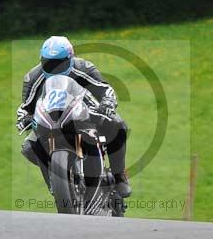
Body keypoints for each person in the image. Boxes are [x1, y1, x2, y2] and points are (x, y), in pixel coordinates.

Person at [16, 36, 131, 198]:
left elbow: (105, 89)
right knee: (29, 147)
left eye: (59, 63)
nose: (54, 68)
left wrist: (107, 103)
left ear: (70, 58)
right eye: (49, 63)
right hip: (50, 120)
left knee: (118, 125)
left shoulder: (84, 68)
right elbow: (26, 106)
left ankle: (119, 177)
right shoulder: (33, 77)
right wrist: (24, 118)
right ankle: (56, 179)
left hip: (84, 113)